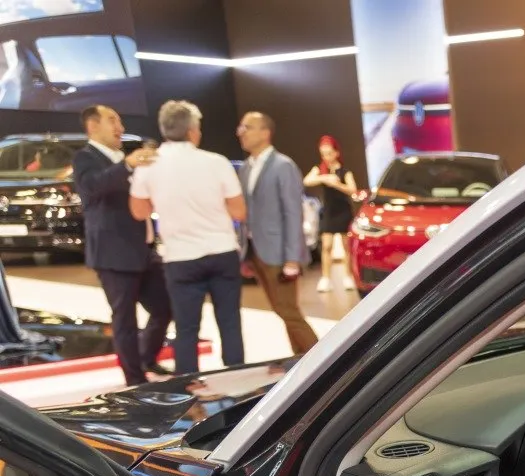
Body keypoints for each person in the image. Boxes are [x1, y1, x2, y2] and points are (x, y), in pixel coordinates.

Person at [129, 100, 245, 375]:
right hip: (222, 250)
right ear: (193, 131)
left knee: (186, 327)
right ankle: (238, 380)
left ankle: (188, 385)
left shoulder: (148, 165)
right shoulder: (216, 162)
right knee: (229, 321)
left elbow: (138, 211)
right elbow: (239, 211)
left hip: (180, 257)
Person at [72, 104, 172, 386]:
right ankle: (135, 379)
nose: (121, 128)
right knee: (125, 319)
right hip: (113, 254)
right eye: (112, 121)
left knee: (165, 306)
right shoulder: (85, 157)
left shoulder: (123, 158)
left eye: (120, 121)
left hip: (144, 249)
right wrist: (128, 165)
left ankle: (146, 357)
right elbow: (92, 186)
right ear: (93, 126)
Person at [236, 112, 317, 355]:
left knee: (288, 311)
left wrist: (293, 258)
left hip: (280, 252)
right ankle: (300, 359)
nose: (241, 132)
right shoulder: (246, 168)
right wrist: (244, 253)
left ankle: (324, 360)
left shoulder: (283, 165)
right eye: (241, 127)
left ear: (265, 132)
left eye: (248, 127)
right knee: (282, 311)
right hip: (255, 250)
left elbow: (293, 213)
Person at [303, 134, 357, 292]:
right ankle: (326, 278)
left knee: (346, 246)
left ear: (336, 153)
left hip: (343, 211)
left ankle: (348, 276)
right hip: (328, 212)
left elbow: (352, 190)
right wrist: (324, 178)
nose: (326, 157)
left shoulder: (345, 171)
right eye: (323, 154)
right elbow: (307, 181)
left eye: (329, 153)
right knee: (327, 245)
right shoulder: (320, 169)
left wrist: (337, 184)